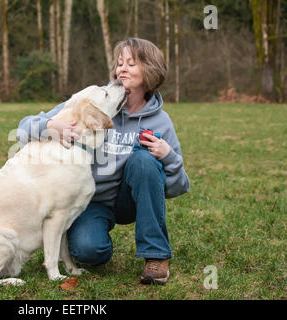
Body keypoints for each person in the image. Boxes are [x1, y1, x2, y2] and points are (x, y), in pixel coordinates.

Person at [17, 38, 189, 285]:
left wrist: (168, 156)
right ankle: (92, 237)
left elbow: (178, 187)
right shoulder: (93, 100)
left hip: (128, 198)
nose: (122, 69)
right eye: (120, 63)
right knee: (90, 251)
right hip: (89, 201)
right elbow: (22, 130)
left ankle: (156, 256)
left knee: (144, 161)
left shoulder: (160, 121)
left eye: (131, 64)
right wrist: (49, 125)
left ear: (150, 70)